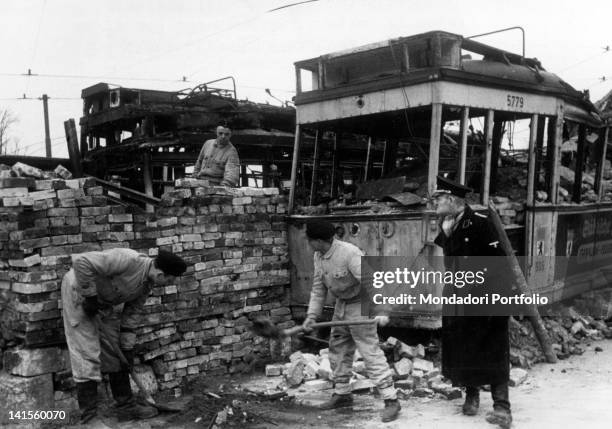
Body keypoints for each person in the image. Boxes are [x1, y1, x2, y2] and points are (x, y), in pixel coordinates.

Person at [61, 248, 187, 425]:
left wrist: (127, 348)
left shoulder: (147, 284)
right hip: (79, 292)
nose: (168, 283)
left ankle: (125, 408)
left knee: (115, 352)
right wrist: (89, 296)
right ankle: (89, 419)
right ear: (160, 273)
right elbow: (82, 261)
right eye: (169, 279)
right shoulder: (128, 259)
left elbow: (131, 315)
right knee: (87, 352)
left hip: (102, 302)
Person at [431, 175, 512, 429]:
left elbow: (499, 263)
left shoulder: (480, 224)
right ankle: (471, 395)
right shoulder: (446, 225)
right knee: (462, 344)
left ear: (452, 200)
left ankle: (502, 407)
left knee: (493, 346)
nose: (435, 203)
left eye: (439, 198)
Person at [301, 220, 401, 423]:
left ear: (319, 241)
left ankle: (391, 400)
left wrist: (381, 308)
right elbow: (319, 289)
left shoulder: (349, 253)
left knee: (369, 350)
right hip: (342, 305)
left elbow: (371, 281)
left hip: (360, 303)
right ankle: (342, 393)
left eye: (310, 240)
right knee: (338, 347)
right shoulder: (318, 256)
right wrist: (312, 316)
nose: (309, 243)